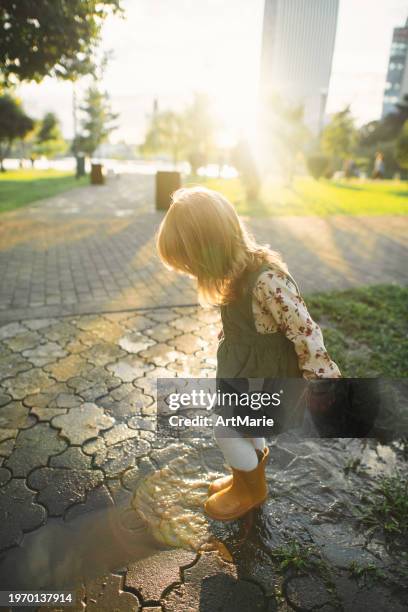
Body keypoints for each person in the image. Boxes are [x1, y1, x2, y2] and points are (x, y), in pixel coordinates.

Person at [156, 186, 341, 521]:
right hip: (247, 372)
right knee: (243, 428)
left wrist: (321, 379)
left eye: (191, 262)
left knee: (226, 431)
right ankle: (246, 477)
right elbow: (254, 321)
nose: (192, 271)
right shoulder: (238, 272)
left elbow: (305, 329)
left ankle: (251, 489)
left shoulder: (266, 279)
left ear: (210, 246)